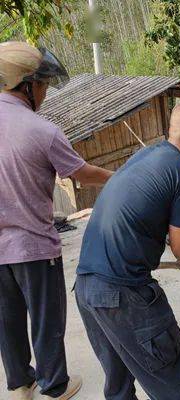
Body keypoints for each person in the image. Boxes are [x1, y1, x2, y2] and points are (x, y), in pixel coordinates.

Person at [74, 100, 180, 400]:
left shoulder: (148, 155)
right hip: (124, 294)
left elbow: (173, 198)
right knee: (175, 380)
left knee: (119, 384)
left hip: (87, 289)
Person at [0, 41, 113, 400]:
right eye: (44, 85)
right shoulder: (41, 131)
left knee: (8, 320)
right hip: (33, 246)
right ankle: (55, 386)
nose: (46, 93)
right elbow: (82, 173)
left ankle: (21, 384)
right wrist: (120, 176)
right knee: (47, 321)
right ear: (26, 84)